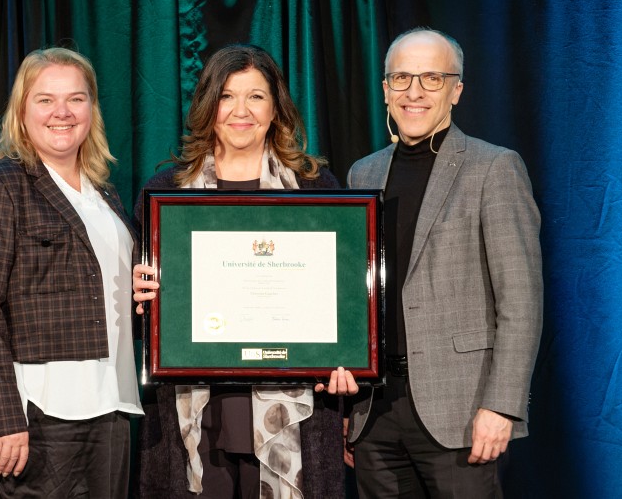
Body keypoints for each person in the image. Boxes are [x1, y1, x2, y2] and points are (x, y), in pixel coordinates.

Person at [131, 44, 357, 499]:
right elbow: (147, 313)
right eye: (227, 96)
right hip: (196, 409)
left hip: (294, 413)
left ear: (276, 109)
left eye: (255, 96)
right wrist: (139, 295)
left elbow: (343, 301)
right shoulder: (166, 193)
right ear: (208, 105)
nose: (241, 111)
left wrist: (348, 353)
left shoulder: (316, 189)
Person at [345, 27, 543, 497]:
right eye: (402, 79)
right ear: (385, 90)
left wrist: (503, 407)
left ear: (456, 90)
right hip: (374, 413)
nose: (414, 92)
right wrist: (347, 414)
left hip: (462, 412)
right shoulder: (362, 173)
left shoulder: (493, 167)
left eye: (431, 78)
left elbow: (521, 299)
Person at [0, 47, 143, 498]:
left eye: (76, 99)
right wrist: (3, 416)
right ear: (22, 111)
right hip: (40, 411)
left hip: (113, 403)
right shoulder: (0, 185)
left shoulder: (106, 195)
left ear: (92, 109)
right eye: (45, 99)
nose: (62, 112)